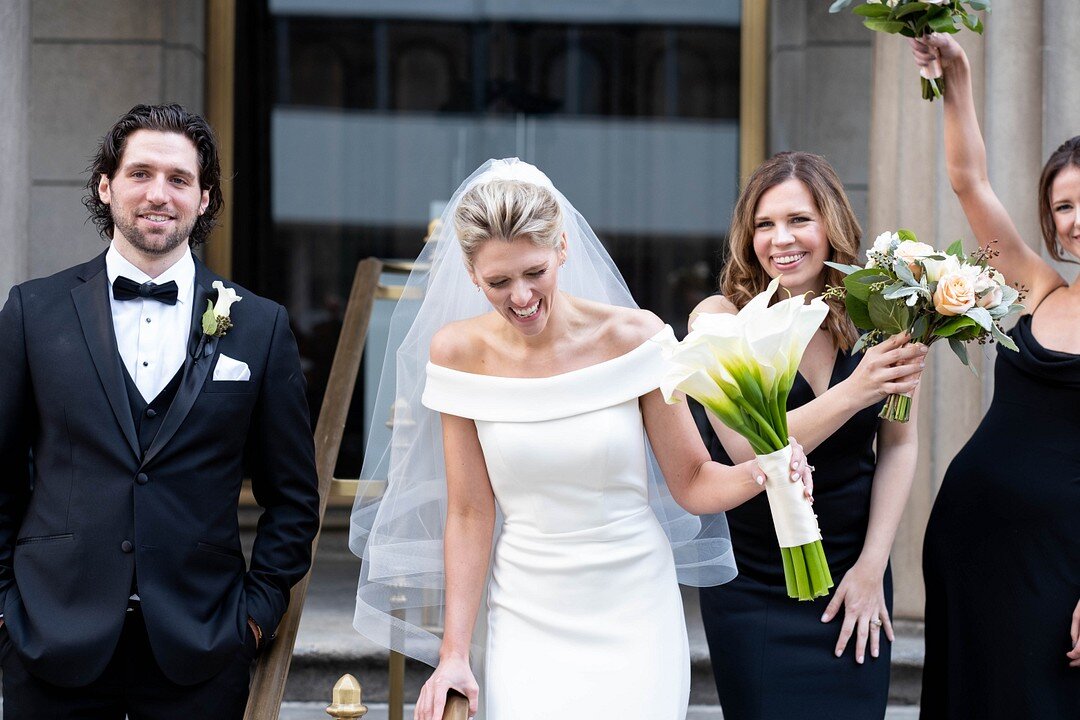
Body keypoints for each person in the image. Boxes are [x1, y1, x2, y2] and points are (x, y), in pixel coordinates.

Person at [349, 158, 815, 720]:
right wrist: (453, 654)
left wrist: (766, 468)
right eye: (498, 282)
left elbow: (692, 483)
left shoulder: (636, 337)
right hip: (524, 608)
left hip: (635, 606)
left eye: (534, 272)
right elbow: (470, 512)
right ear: (471, 275)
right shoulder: (456, 353)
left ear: (562, 249)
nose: (520, 296)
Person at [0, 104, 321, 719]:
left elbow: (293, 495)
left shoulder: (259, 326)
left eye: (179, 179)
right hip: (49, 638)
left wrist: (256, 615)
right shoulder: (31, 312)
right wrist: (6, 612)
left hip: (200, 646)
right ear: (106, 185)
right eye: (140, 173)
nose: (158, 194)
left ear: (204, 199)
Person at [693, 151, 925, 720]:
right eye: (764, 225)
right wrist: (854, 391)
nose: (781, 239)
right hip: (755, 583)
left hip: (853, 570)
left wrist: (873, 566)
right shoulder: (720, 319)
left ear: (832, 227)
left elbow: (898, 445)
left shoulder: (881, 319)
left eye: (799, 220)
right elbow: (748, 450)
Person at [909, 35, 1080, 719]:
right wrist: (958, 78)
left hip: (1061, 560)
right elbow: (969, 182)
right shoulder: (1039, 288)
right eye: (1064, 206)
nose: (1077, 219)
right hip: (973, 537)